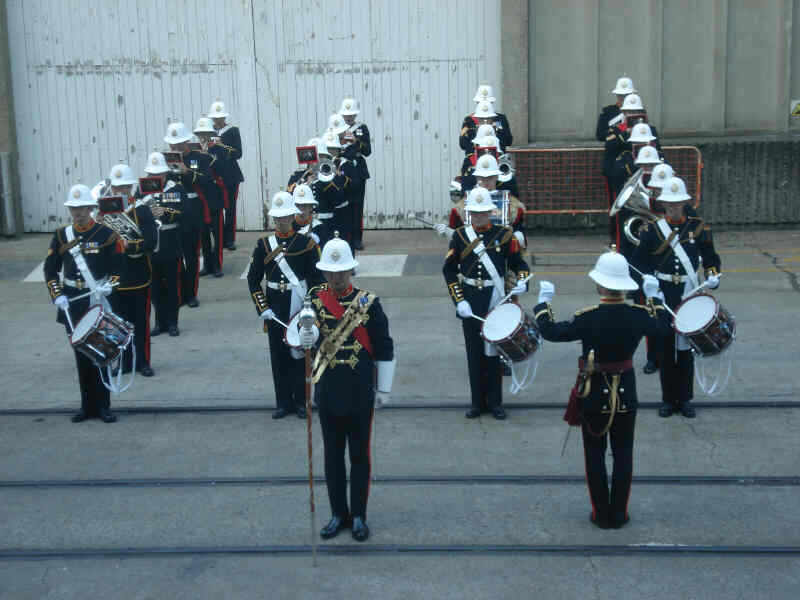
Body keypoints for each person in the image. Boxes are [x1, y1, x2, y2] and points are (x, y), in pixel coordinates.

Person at [533, 249, 671, 528]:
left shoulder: (587, 318)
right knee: (623, 455)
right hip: (626, 394)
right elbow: (664, 328)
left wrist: (542, 305)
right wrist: (656, 297)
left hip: (593, 393)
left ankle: (600, 514)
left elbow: (551, 332)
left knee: (594, 454)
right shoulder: (639, 315)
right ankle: (619, 514)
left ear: (599, 285)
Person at [301, 235, 395, 541]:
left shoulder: (369, 303)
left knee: (359, 456)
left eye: (342, 272)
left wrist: (384, 389)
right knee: (331, 457)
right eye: (331, 272)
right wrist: (302, 340)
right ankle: (337, 513)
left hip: (359, 391)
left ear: (351, 271)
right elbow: (299, 340)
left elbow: (384, 347)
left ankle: (358, 516)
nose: (337, 277)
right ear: (325, 273)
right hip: (328, 389)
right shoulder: (313, 299)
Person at [632, 177, 721, 419]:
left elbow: (711, 258)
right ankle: (668, 399)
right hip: (663, 294)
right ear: (663, 204)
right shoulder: (651, 230)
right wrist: (648, 282)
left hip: (688, 293)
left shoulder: (698, 227)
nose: (674, 207)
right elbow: (637, 263)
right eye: (669, 204)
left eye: (678, 203)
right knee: (665, 349)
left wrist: (713, 275)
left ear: (684, 202)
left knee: (686, 350)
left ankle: (685, 399)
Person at [443, 186, 529, 420]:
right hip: (470, 300)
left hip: (495, 299)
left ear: (491, 212)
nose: (478, 217)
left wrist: (522, 282)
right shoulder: (460, 236)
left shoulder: (505, 235)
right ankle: (476, 402)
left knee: (494, 354)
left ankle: (496, 403)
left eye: (482, 212)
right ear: (469, 212)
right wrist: (458, 300)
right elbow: (449, 271)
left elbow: (519, 264)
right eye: (474, 212)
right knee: (474, 354)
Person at [44, 184, 121, 423]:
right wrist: (57, 294)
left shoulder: (106, 235)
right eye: (74, 208)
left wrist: (111, 284)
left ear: (91, 208)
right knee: (81, 355)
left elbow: (119, 267)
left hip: (96, 299)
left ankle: (104, 405)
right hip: (73, 302)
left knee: (100, 353)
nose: (78, 213)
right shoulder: (60, 236)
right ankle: (87, 406)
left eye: (82, 208)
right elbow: (50, 270)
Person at [247, 192, 321, 419]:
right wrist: (262, 308)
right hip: (275, 306)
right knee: (278, 356)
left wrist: (311, 309)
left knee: (299, 354)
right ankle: (282, 402)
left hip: (299, 304)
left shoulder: (306, 244)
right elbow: (253, 279)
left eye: (285, 217)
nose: (281, 221)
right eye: (277, 218)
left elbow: (317, 281)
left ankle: (302, 401)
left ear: (292, 215)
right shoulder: (263, 245)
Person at [106, 163, 158, 376]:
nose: (121, 192)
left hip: (138, 276)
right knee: (118, 324)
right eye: (118, 188)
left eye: (126, 187)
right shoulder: (103, 214)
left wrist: (129, 246)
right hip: (115, 278)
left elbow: (151, 242)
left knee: (141, 323)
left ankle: (143, 361)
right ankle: (124, 362)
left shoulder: (142, 210)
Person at [142, 152, 185, 337]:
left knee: (173, 286)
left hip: (170, 241)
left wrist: (165, 212)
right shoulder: (142, 190)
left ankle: (173, 322)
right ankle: (160, 322)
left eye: (158, 174)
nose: (155, 178)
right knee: (155, 287)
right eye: (152, 175)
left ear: (166, 173)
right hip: (152, 244)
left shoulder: (175, 189)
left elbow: (184, 213)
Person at [208, 100, 244, 251]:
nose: (217, 120)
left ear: (224, 118)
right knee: (216, 210)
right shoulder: (207, 132)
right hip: (214, 176)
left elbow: (238, 153)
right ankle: (219, 239)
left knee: (230, 209)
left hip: (230, 175)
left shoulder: (233, 130)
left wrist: (222, 146)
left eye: (220, 117)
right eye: (215, 118)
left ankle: (230, 239)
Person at [338, 98, 371, 250]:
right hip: (342, 168)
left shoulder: (361, 128)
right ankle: (344, 235)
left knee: (357, 205)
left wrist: (356, 141)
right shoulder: (336, 126)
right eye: (346, 114)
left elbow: (367, 151)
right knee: (343, 204)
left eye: (351, 114)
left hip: (357, 170)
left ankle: (357, 238)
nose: (348, 117)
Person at [459, 85, 512, 155]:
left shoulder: (499, 119)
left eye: (488, 102)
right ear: (477, 102)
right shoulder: (469, 120)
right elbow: (463, 144)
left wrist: (496, 127)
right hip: (475, 159)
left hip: (497, 157)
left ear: (492, 103)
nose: (485, 105)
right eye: (481, 102)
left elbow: (508, 141)